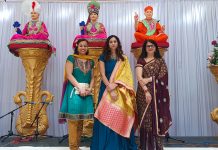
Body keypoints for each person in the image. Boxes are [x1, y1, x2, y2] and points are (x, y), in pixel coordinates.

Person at [91, 35, 137, 150]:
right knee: (104, 116)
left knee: (119, 116)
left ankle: (119, 146)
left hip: (120, 90)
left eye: (115, 41)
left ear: (118, 43)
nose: (113, 43)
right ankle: (103, 146)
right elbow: (102, 74)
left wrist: (115, 85)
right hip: (105, 89)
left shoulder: (123, 59)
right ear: (108, 44)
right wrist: (109, 88)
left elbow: (126, 77)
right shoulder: (103, 57)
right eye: (110, 42)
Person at [135, 39, 172, 150]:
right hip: (143, 93)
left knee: (157, 118)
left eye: (152, 46)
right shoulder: (141, 60)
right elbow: (139, 78)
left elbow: (163, 77)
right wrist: (146, 91)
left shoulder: (160, 61)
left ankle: (157, 147)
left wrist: (150, 79)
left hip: (158, 94)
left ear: (155, 47)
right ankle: (145, 146)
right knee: (146, 119)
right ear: (145, 48)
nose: (150, 47)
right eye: (147, 46)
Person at [59, 39, 95, 150]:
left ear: (87, 48)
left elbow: (93, 77)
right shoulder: (71, 58)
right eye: (81, 46)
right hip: (74, 91)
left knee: (81, 121)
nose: (83, 48)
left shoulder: (91, 61)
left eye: (85, 46)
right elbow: (69, 75)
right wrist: (79, 87)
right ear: (77, 47)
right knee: (73, 121)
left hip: (87, 92)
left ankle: (77, 146)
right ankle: (73, 147)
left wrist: (89, 89)